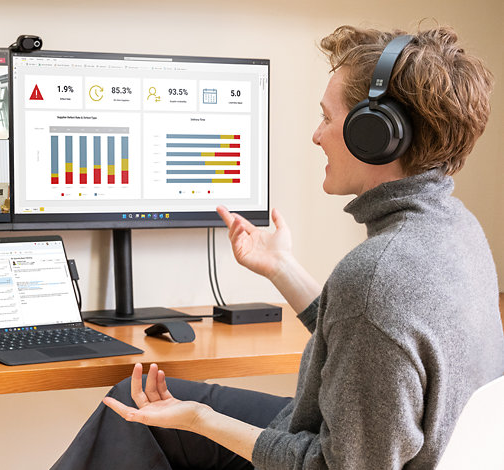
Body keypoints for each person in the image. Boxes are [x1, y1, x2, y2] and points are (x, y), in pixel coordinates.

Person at [52, 25, 504, 469]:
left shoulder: (376, 275)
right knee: (133, 406)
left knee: (139, 414)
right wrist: (280, 267)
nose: (316, 135)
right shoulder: (457, 229)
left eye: (327, 117)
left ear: (375, 134)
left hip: (331, 454)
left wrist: (200, 420)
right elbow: (367, 338)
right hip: (359, 438)